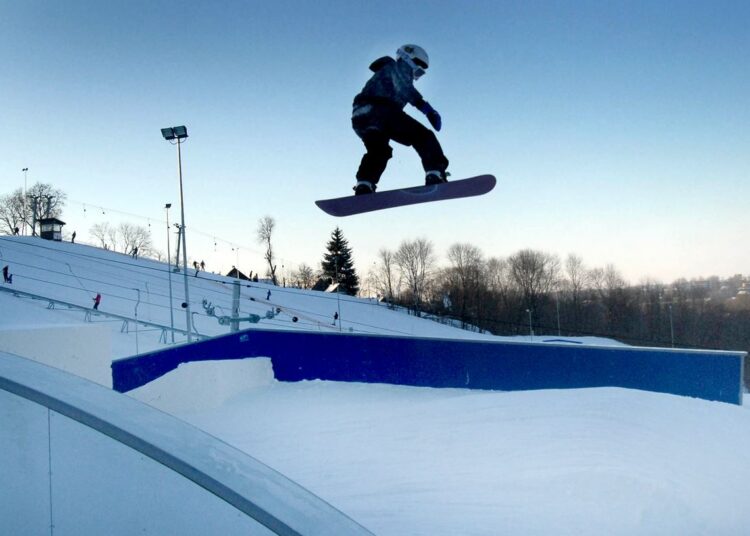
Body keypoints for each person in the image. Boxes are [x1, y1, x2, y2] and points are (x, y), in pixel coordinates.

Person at [351, 44, 449, 195]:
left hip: (361, 117)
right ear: (408, 57)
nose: (418, 70)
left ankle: (365, 183)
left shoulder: (383, 72)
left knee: (379, 151)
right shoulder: (399, 67)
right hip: (381, 111)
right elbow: (405, 88)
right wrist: (426, 109)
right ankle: (435, 172)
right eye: (419, 64)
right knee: (423, 137)